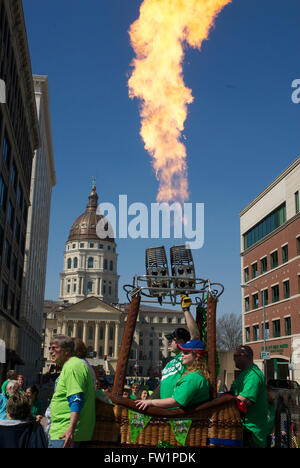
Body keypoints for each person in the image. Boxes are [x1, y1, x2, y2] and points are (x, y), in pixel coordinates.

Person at [48, 335, 96, 448]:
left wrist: (71, 428)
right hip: (63, 430)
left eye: (54, 348)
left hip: (65, 433)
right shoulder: (73, 365)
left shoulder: (73, 367)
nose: (50, 351)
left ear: (66, 351)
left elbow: (76, 398)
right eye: (50, 348)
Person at [136, 340, 210, 411]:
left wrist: (150, 402)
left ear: (196, 357)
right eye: (182, 352)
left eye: (186, 352)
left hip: (187, 421)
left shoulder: (193, 377)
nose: (182, 354)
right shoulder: (196, 374)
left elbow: (175, 401)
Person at [159, 294, 200, 399]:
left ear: (181, 341)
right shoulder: (170, 362)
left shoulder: (187, 356)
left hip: (178, 411)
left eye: (172, 340)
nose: (169, 343)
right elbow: (162, 385)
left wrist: (186, 309)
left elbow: (195, 335)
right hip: (165, 411)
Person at [230, 345, 269, 448]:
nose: (233, 359)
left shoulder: (253, 375)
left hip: (252, 435)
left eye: (235, 356)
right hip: (243, 431)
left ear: (244, 356)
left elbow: (245, 401)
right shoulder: (245, 373)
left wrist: (221, 403)